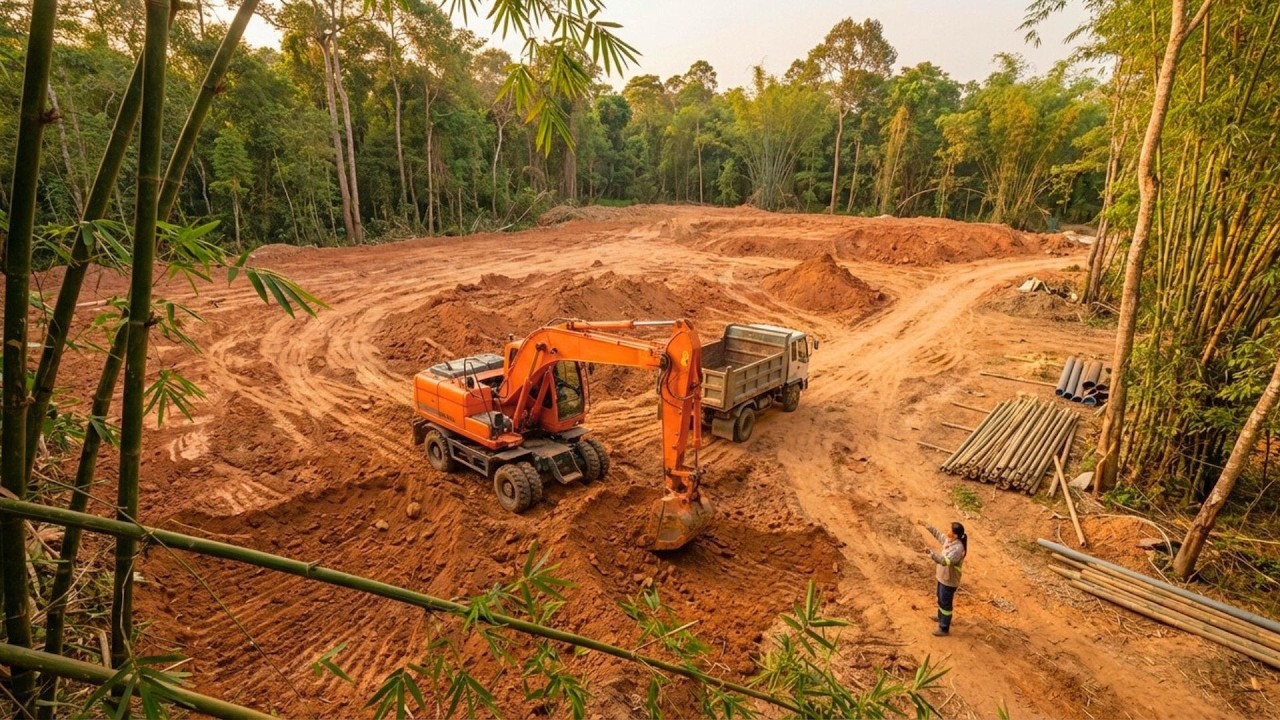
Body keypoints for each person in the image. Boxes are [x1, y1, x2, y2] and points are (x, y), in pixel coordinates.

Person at [924, 521, 968, 636]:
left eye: (950, 531)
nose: (948, 533)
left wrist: (931, 554)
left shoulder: (958, 549)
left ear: (956, 536)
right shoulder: (950, 541)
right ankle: (940, 617)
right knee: (940, 598)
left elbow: (944, 562)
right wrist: (928, 526)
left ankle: (944, 628)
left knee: (946, 604)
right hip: (942, 577)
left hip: (949, 581)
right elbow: (940, 536)